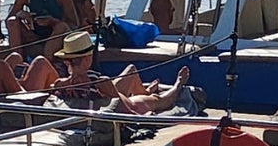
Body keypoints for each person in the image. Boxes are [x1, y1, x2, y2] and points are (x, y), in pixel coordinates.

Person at [44, 30, 193, 113]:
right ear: (88, 58)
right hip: (127, 102)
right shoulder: (100, 82)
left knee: (131, 70)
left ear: (66, 60)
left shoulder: (59, 85)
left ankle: (146, 91)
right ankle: (178, 85)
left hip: (104, 95)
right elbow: (123, 108)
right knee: (160, 101)